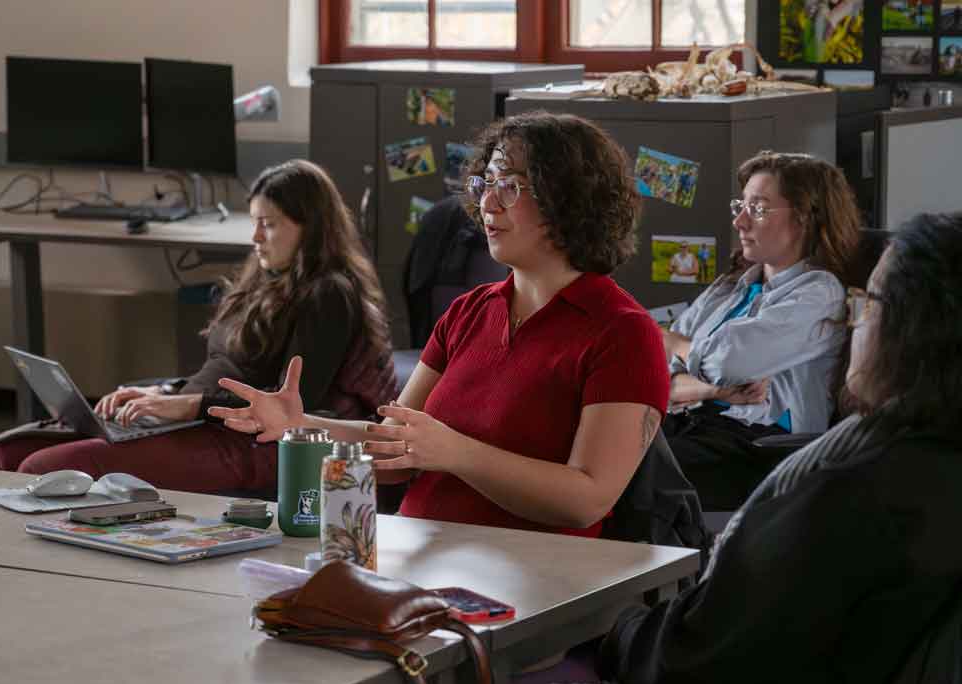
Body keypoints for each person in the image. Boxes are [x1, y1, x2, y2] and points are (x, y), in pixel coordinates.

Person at [209, 111, 670, 537]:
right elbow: (396, 451)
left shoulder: (623, 333)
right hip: (417, 551)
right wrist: (302, 424)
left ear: (570, 199)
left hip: (530, 573)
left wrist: (455, 452)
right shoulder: (469, 311)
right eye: (486, 183)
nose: (488, 202)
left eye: (511, 185)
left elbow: (587, 500)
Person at [591, 212, 962, 684]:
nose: (856, 322)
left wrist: (613, 625)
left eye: (867, 303)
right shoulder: (930, 467)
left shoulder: (848, 492)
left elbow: (692, 660)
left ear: (917, 328)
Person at [0, 160, 396, 493]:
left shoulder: (329, 293)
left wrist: (189, 405)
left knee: (43, 467)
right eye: (255, 222)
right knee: (5, 455)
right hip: (202, 417)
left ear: (311, 227)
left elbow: (290, 406)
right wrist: (166, 392)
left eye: (269, 224)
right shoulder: (267, 278)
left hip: (249, 437)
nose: (255, 236)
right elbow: (227, 371)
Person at [661, 151, 861, 510]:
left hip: (757, 447)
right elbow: (661, 375)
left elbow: (727, 361)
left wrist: (676, 342)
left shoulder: (820, 294)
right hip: (691, 424)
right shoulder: (731, 286)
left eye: (757, 209)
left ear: (804, 219)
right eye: (741, 206)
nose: (739, 221)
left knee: (632, 472)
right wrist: (714, 389)